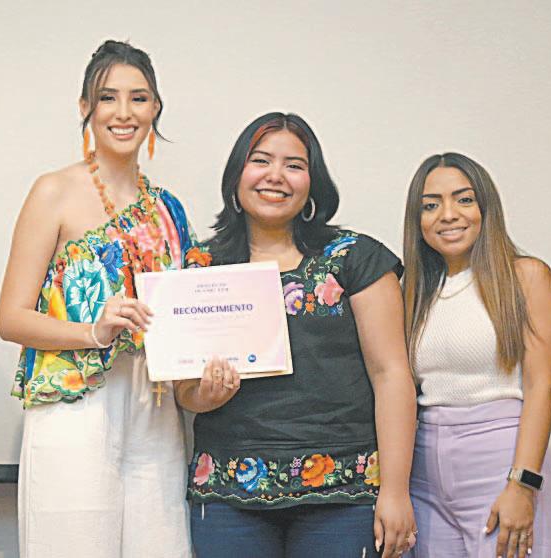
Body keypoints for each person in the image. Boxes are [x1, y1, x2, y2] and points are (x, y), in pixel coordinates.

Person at [0, 40, 210, 558]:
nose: (123, 112)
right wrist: (93, 331)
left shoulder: (169, 209)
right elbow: (10, 317)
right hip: (77, 404)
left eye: (139, 98)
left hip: (155, 408)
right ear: (85, 107)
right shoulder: (53, 191)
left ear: (155, 108)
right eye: (108, 97)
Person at [178, 112, 418, 558]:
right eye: (261, 160)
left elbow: (392, 375)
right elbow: (183, 390)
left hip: (344, 492)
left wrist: (396, 491)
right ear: (236, 175)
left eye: (294, 165)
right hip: (228, 493)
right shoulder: (201, 266)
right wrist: (204, 396)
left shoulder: (355, 258)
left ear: (313, 182)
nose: (276, 175)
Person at [402, 153, 551, 558]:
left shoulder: (526, 276)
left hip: (501, 459)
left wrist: (522, 484)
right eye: (431, 205)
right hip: (423, 469)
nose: (448, 214)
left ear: (486, 208)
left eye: (464, 199)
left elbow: (541, 387)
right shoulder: (413, 291)